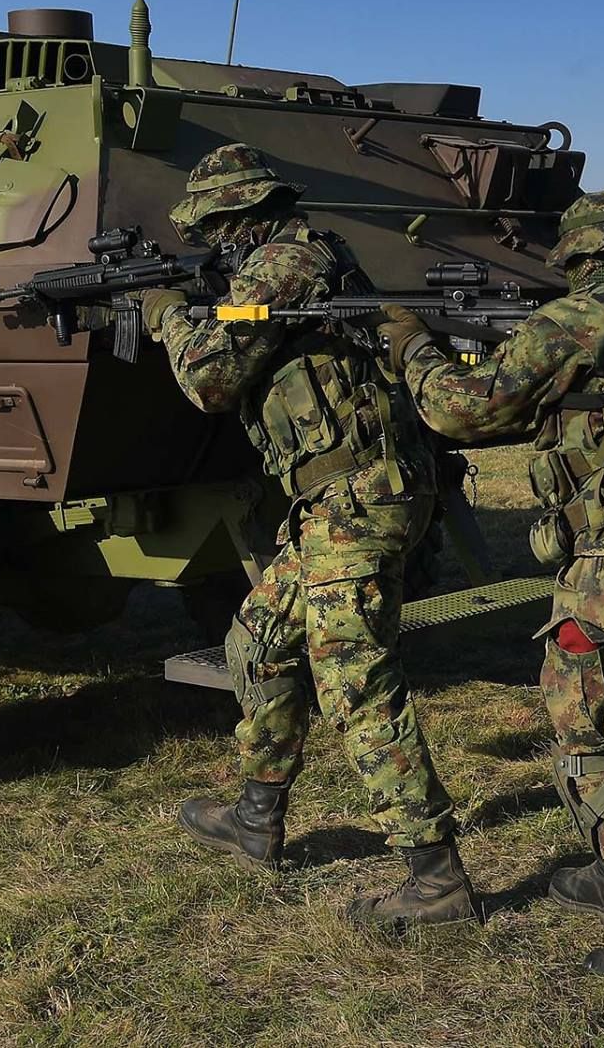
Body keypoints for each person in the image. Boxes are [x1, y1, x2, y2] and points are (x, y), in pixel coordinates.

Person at [381, 187, 604, 980]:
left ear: (582, 258)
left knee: (589, 741)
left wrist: (411, 343)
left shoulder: (584, 318)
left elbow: (462, 411)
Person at [140, 144, 475, 930]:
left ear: (239, 218)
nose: (213, 242)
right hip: (339, 497)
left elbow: (209, 380)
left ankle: (437, 876)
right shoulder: (298, 257)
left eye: (216, 227)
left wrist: (166, 315)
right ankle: (257, 815)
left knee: (356, 681)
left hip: (359, 496)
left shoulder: (285, 261)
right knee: (258, 638)